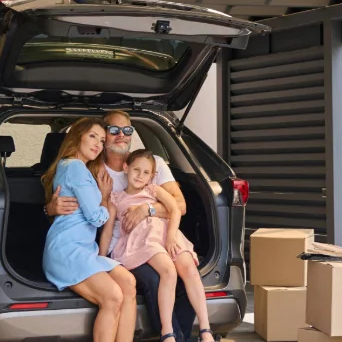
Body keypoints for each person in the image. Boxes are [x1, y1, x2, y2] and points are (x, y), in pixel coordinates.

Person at [46, 111, 198, 342]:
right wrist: (50, 208)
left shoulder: (153, 163)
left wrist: (147, 209)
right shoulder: (91, 168)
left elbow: (180, 205)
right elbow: (90, 214)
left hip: (151, 239)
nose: (120, 135)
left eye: (127, 130)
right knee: (146, 283)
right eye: (112, 131)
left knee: (173, 277)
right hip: (116, 246)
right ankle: (171, 337)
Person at [101, 150, 216, 342]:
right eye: (136, 170)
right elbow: (107, 230)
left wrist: (171, 236)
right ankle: (168, 331)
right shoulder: (116, 198)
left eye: (146, 172)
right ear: (126, 168)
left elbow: (176, 209)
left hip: (166, 233)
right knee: (168, 271)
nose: (140, 175)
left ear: (152, 176)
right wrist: (101, 258)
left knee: (190, 269)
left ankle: (205, 329)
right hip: (143, 240)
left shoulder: (153, 190)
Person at [41, 118, 137, 342]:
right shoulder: (74, 167)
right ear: (77, 137)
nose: (98, 144)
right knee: (113, 297)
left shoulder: (74, 167)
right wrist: (104, 198)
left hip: (85, 250)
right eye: (92, 136)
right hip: (67, 250)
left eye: (102, 140)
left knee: (128, 282)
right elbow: (96, 218)